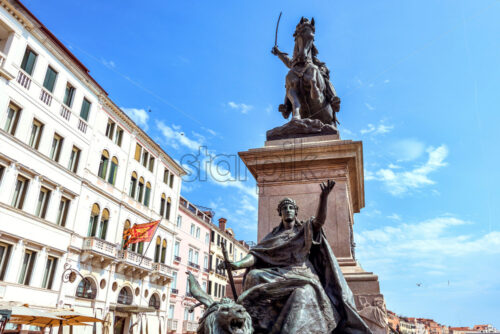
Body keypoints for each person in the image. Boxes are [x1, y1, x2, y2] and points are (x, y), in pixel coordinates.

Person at [219, 180, 372, 334]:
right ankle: (256, 323)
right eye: (284, 208)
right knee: (253, 275)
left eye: (291, 208)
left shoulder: (304, 229)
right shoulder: (273, 235)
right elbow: (257, 255)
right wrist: (236, 265)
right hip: (280, 273)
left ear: (296, 211)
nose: (288, 210)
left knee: (302, 292)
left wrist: (323, 197)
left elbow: (319, 221)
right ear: (280, 213)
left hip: (301, 272)